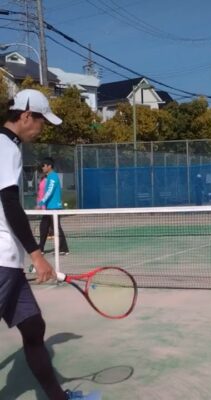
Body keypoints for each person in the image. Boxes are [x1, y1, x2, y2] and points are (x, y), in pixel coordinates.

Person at [0, 89, 100, 400]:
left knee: (33, 327)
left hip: (10, 262)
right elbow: (9, 204)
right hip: (1, 260)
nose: (42, 129)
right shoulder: (5, 146)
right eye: (41, 121)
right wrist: (37, 255)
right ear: (26, 115)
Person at [38, 157, 69, 255]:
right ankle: (40, 249)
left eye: (43, 166)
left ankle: (64, 249)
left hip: (54, 207)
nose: (42, 167)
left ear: (49, 166)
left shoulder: (53, 176)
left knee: (56, 228)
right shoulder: (49, 177)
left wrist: (41, 203)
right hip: (49, 207)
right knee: (43, 227)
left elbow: (49, 191)